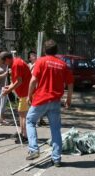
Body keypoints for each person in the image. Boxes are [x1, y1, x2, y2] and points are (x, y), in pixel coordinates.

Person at [26, 39, 74, 167]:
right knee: (55, 129)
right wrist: (69, 99)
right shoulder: (62, 64)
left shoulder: (40, 61)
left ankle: (34, 149)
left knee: (30, 121)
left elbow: (33, 80)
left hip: (41, 99)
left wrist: (29, 95)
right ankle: (57, 158)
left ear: (44, 50)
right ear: (56, 50)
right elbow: (70, 83)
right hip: (55, 102)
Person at [0, 51, 31, 144]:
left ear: (7, 59)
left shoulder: (16, 65)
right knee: (21, 113)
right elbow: (15, 81)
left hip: (25, 93)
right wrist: (8, 87)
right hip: (24, 93)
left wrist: (8, 91)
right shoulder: (16, 62)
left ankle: (24, 136)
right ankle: (22, 133)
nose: (5, 65)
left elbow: (19, 81)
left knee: (23, 114)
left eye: (4, 62)